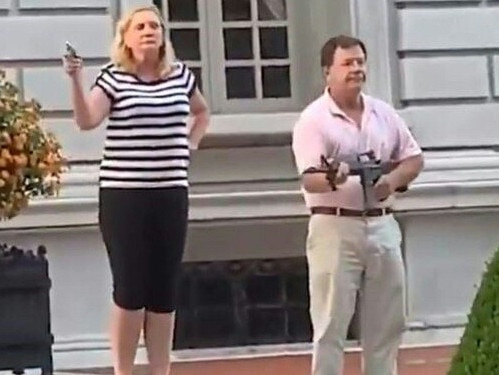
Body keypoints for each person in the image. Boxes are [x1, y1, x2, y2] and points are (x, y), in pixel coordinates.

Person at [62, 5, 210, 375]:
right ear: (126, 37)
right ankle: (123, 370)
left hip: (170, 193)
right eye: (140, 26)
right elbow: (86, 120)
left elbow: (202, 112)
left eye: (155, 26)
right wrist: (76, 81)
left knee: (163, 292)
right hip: (124, 196)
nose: (149, 31)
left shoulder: (180, 76)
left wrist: (190, 144)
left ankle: (161, 370)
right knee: (130, 289)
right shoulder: (113, 78)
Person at [291, 35, 424, 375]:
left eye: (360, 62)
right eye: (347, 64)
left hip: (382, 224)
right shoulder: (313, 119)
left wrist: (390, 182)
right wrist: (337, 177)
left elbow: (413, 158)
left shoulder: (383, 113)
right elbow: (309, 179)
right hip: (335, 226)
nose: (356, 70)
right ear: (327, 72)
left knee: (387, 325)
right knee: (331, 325)